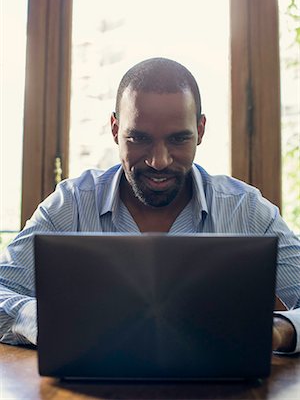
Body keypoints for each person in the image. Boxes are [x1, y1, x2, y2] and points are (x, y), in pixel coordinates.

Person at [0, 57, 299, 353]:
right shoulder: (71, 205)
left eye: (178, 140)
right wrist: (45, 320)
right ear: (116, 129)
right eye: (139, 139)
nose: (159, 161)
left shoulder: (246, 210)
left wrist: (280, 330)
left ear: (201, 131)